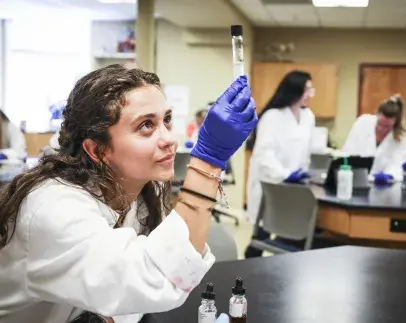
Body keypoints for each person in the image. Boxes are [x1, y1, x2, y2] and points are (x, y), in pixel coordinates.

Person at [0, 64, 257, 323]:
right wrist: (208, 161)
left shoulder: (139, 189)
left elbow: (125, 293)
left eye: (166, 120)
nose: (168, 138)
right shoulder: (53, 208)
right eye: (146, 125)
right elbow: (157, 277)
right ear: (98, 150)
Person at [245, 70, 315, 258]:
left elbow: (306, 152)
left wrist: (304, 173)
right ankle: (248, 272)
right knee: (263, 233)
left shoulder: (308, 117)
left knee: (291, 232)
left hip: (294, 186)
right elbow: (263, 154)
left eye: (311, 90)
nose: (310, 94)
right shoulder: (272, 116)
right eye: (307, 89)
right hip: (271, 184)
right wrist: (284, 174)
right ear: (295, 90)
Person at [342, 94, 406, 183]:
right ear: (377, 114)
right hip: (355, 179)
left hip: (384, 185)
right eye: (380, 124)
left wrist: (389, 175)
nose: (381, 129)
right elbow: (348, 152)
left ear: (395, 123)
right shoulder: (363, 123)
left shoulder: (401, 137)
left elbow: (399, 164)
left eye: (387, 126)